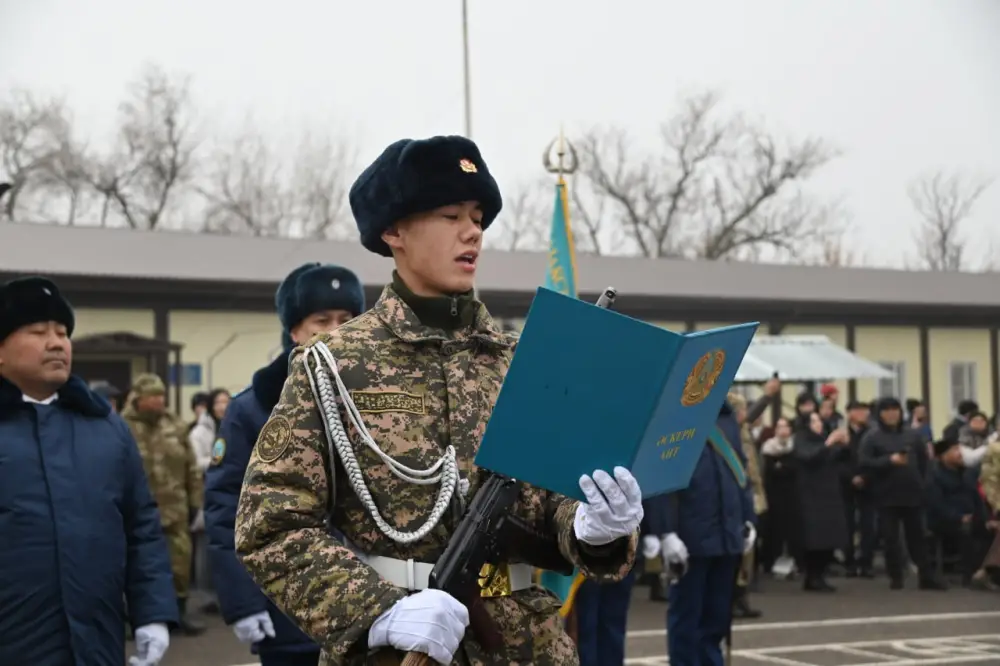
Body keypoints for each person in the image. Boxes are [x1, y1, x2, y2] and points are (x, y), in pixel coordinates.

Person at [233, 135, 642, 666]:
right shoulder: (332, 364)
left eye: (477, 216)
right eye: (450, 214)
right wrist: (377, 612)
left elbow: (553, 501)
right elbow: (271, 524)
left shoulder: (524, 363)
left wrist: (593, 527)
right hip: (396, 647)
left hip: (528, 649)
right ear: (393, 231)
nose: (472, 230)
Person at [0, 276, 177, 666]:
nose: (56, 342)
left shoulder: (105, 426)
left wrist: (153, 613)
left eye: (62, 333)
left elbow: (141, 525)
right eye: (37, 331)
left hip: (96, 642)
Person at [205, 262, 366, 666]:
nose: (335, 330)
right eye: (321, 320)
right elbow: (227, 510)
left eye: (347, 320)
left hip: (372, 608)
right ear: (294, 331)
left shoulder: (378, 404)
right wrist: (242, 602)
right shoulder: (254, 409)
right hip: (289, 608)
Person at [646, 400, 756, 666]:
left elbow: (740, 473)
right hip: (689, 537)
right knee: (687, 620)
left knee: (717, 619)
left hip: (727, 534)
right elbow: (660, 476)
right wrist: (665, 532)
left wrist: (747, 518)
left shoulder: (727, 420)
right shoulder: (674, 417)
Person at [122, 373, 208, 634]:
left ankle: (178, 613)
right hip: (135, 512)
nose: (160, 401)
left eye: (162, 396)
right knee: (134, 565)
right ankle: (131, 618)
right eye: (153, 397)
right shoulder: (121, 427)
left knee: (180, 565)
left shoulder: (176, 425)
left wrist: (196, 501)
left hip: (175, 510)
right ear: (138, 399)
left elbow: (192, 467)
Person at [859, 397, 946, 590]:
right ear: (880, 414)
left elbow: (925, 462)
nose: (892, 414)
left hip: (913, 493)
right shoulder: (872, 437)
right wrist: (888, 461)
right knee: (891, 538)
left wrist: (924, 484)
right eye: (887, 410)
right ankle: (896, 576)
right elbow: (864, 463)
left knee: (918, 537)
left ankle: (926, 576)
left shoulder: (913, 435)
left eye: (895, 409)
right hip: (885, 495)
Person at [792, 412, 849, 592]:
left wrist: (845, 445)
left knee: (830, 538)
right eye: (814, 421)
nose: (819, 424)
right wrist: (829, 443)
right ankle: (812, 576)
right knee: (814, 539)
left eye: (819, 421)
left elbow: (841, 458)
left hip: (830, 494)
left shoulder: (822, 439)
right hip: (811, 496)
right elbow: (809, 457)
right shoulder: (801, 440)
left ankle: (820, 575)